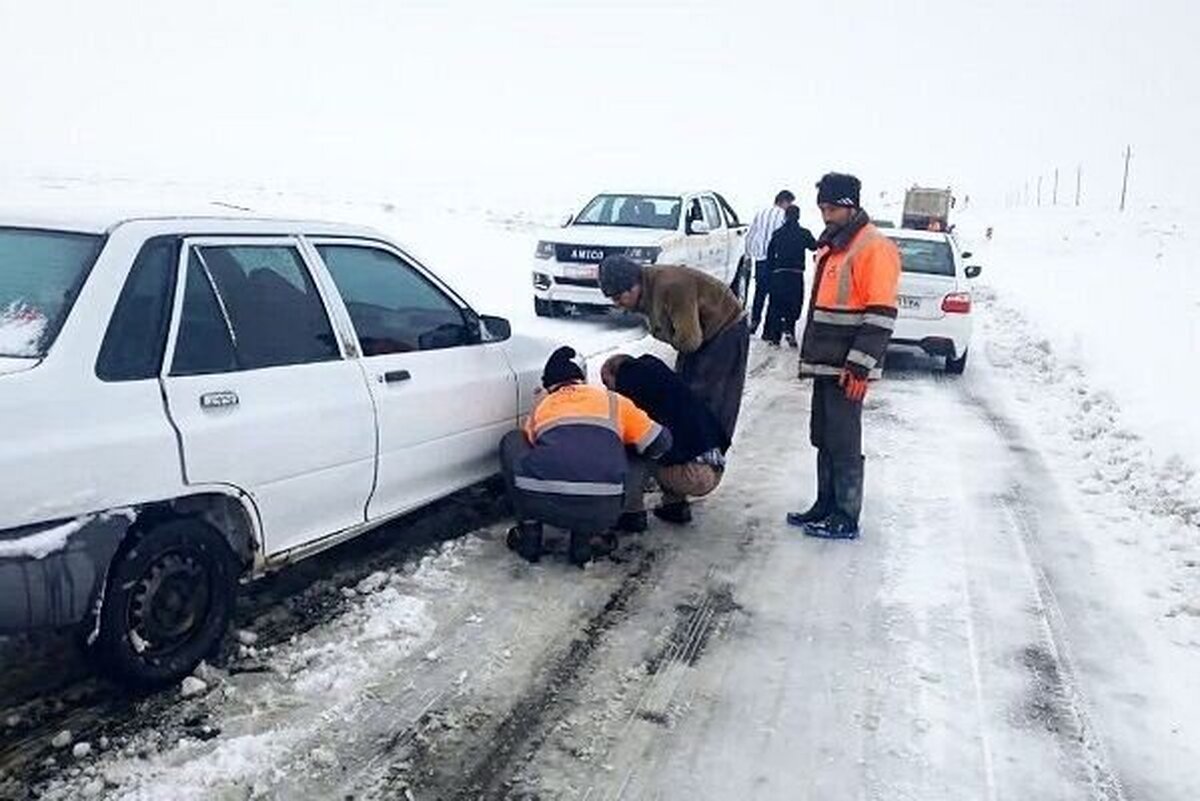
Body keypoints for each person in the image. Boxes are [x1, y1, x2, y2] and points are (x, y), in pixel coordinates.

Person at [788, 173, 901, 540]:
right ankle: (825, 504)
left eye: (832, 207)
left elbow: (881, 313)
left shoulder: (873, 247)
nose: (825, 215)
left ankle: (846, 515)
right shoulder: (833, 244)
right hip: (825, 362)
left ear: (850, 206)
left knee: (844, 440)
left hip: (848, 366)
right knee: (824, 436)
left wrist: (859, 366)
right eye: (821, 207)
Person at [500, 346, 673, 566]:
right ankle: (589, 537)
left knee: (514, 440)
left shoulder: (541, 407)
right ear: (581, 380)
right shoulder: (613, 401)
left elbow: (539, 453)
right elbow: (661, 443)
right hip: (604, 505)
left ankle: (529, 532)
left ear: (549, 387)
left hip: (541, 503)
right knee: (641, 446)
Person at [597, 256, 750, 443]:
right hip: (702, 334)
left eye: (619, 297)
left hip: (725, 330)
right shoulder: (647, 287)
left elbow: (689, 341)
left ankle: (710, 451)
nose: (617, 304)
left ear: (634, 285)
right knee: (686, 391)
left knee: (711, 399)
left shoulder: (671, 287)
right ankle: (690, 442)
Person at [601, 353, 730, 524]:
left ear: (616, 372)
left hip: (691, 474)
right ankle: (674, 506)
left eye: (606, 382)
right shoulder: (658, 375)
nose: (608, 390)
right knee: (666, 443)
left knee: (636, 447)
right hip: (715, 466)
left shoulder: (629, 385)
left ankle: (631, 514)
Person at [761, 205, 818, 348]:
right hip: (796, 274)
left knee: (776, 305)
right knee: (794, 305)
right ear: (798, 216)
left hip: (779, 274)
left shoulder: (777, 233)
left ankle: (775, 337)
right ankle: (789, 330)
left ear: (785, 216)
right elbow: (814, 246)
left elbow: (769, 256)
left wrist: (769, 275)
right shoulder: (803, 233)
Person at [744, 190, 795, 332]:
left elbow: (751, 234)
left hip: (760, 259)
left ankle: (754, 322)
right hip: (776, 260)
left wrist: (748, 254)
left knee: (760, 292)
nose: (790, 206)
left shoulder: (761, 213)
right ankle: (771, 328)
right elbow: (785, 237)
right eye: (790, 203)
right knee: (776, 295)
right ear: (784, 201)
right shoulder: (784, 216)